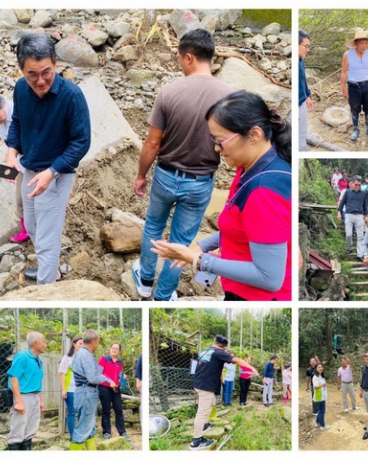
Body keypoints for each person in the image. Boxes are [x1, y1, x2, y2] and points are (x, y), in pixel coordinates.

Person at [151, 91, 292, 301]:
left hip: (256, 297)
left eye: (221, 141)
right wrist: (203, 245)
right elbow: (245, 227)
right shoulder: (248, 166)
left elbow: (269, 277)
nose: (217, 148)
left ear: (254, 134)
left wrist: (198, 259)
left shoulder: (264, 191)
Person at [132, 29, 234, 301]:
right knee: (181, 241)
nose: (179, 63)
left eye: (179, 58)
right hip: (200, 182)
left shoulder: (169, 92)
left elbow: (153, 143)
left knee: (153, 226)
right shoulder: (229, 96)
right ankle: (163, 295)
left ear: (189, 57)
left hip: (165, 175)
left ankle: (144, 281)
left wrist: (141, 175)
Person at [5, 33, 90, 285]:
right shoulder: (21, 88)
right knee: (32, 227)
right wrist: (11, 151)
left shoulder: (71, 96)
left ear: (55, 63)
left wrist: (52, 171)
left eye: (47, 72)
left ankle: (46, 288)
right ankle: (50, 270)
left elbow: (81, 142)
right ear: (21, 69)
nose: (40, 80)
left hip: (56, 173)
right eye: (32, 74)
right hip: (30, 169)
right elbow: (18, 122)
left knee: (47, 239)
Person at [189, 335, 258, 450]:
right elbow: (237, 360)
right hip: (206, 386)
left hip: (199, 383)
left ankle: (205, 425)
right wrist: (252, 369)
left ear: (214, 342)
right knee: (202, 412)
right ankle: (196, 441)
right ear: (224, 348)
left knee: (209, 405)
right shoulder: (218, 352)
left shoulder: (205, 351)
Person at [70, 330, 118, 450]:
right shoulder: (85, 355)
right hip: (86, 392)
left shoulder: (84, 354)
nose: (97, 345)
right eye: (97, 342)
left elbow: (94, 373)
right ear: (93, 341)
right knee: (83, 428)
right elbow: (92, 377)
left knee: (90, 428)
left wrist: (107, 378)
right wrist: (108, 380)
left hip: (85, 392)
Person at [5, 332, 47, 450]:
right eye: (43, 341)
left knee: (30, 430)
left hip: (34, 397)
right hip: (23, 396)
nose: (45, 344)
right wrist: (19, 401)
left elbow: (36, 382)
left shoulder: (38, 360)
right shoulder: (22, 356)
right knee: (18, 431)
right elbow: (14, 379)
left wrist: (41, 401)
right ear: (36, 343)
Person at [341, 29, 368, 141]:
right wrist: (343, 88)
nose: (364, 46)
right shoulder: (347, 55)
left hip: (367, 85)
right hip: (353, 86)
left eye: (366, 43)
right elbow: (343, 72)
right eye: (362, 43)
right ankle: (355, 129)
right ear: (356, 43)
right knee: (354, 109)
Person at [0, 96, 28, 244]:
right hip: (19, 164)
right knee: (20, 200)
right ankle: (26, 231)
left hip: (37, 162)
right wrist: (8, 171)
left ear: (3, 104)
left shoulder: (21, 112)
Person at [97, 343, 128, 441]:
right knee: (106, 410)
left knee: (118, 409)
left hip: (116, 388)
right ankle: (106, 432)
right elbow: (97, 374)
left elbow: (119, 374)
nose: (114, 350)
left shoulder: (119, 362)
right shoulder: (104, 359)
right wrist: (108, 381)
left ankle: (122, 432)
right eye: (113, 348)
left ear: (119, 351)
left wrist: (123, 377)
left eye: (116, 349)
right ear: (110, 348)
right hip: (104, 387)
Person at [338, 176, 368, 261]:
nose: (357, 186)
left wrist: (366, 215)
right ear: (353, 183)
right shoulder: (347, 192)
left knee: (360, 236)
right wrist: (339, 213)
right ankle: (349, 247)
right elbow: (342, 203)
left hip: (359, 216)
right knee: (348, 234)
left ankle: (359, 254)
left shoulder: (363, 194)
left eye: (359, 185)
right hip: (349, 214)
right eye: (356, 184)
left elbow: (365, 206)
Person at [58, 336, 83, 440]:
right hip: (70, 390)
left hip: (81, 390)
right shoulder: (66, 358)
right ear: (74, 344)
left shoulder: (83, 358)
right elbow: (62, 374)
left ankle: (82, 433)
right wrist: (63, 389)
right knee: (72, 412)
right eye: (80, 343)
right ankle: (73, 435)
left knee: (81, 412)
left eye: (83, 344)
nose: (81, 346)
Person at [298, 30, 313, 151]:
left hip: (301, 101)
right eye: (306, 46)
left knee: (302, 133)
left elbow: (303, 79)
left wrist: (307, 95)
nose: (307, 50)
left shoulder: (300, 60)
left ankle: (302, 149)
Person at [312, 363, 331, 430]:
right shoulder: (315, 377)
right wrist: (322, 385)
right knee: (322, 411)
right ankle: (323, 426)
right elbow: (315, 386)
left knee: (320, 410)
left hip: (322, 396)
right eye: (319, 367)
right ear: (316, 369)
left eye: (321, 367)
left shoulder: (321, 376)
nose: (320, 368)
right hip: (319, 397)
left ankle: (317, 422)